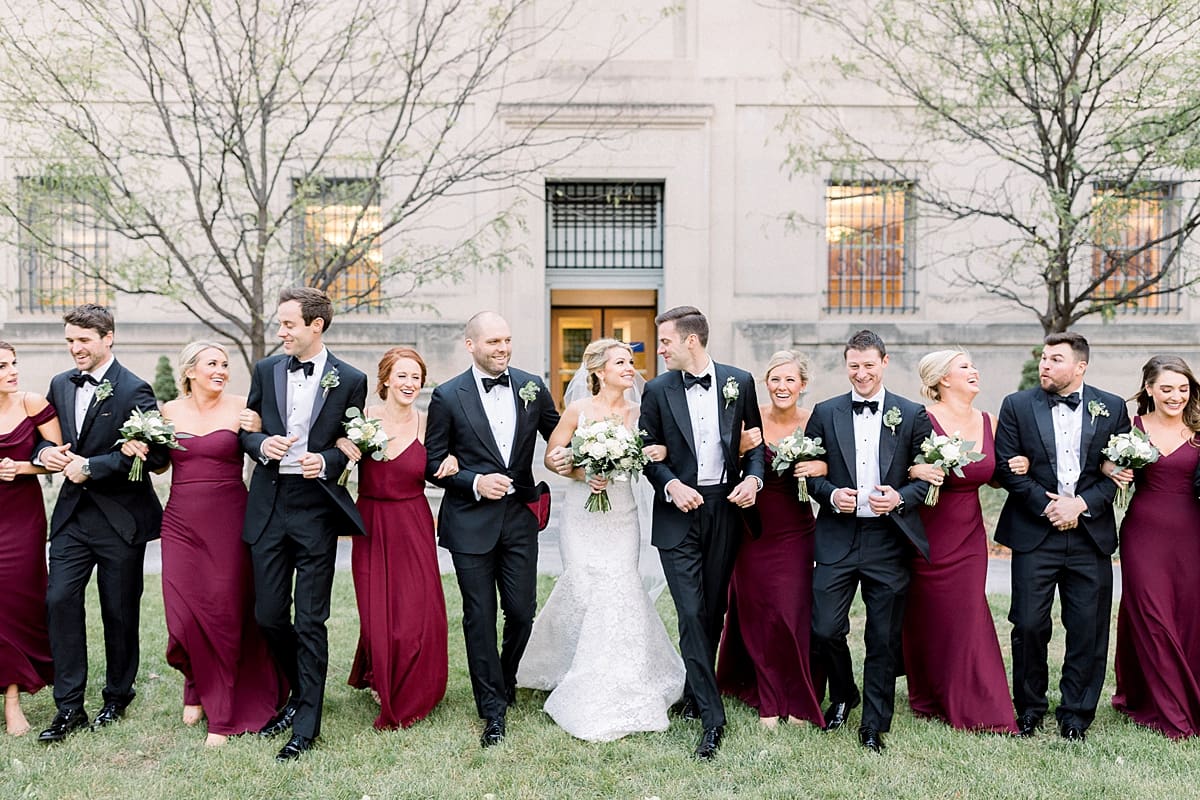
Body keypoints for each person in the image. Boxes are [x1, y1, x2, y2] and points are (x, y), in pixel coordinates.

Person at [518, 338, 685, 741]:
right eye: (621, 363)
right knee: (585, 587)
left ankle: (622, 677)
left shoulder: (640, 411)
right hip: (582, 515)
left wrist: (655, 452)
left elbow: (652, 453)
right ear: (598, 371)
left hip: (622, 513)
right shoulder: (578, 410)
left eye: (631, 362)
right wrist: (579, 473)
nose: (631, 368)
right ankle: (572, 670)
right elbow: (552, 456)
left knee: (620, 587)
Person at [122, 342, 287, 746]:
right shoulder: (167, 412)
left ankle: (224, 714)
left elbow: (262, 450)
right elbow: (161, 463)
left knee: (225, 614)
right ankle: (195, 682)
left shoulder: (243, 409)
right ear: (190, 371)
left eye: (226, 364)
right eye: (212, 363)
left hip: (229, 520)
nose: (222, 370)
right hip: (180, 521)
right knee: (182, 616)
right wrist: (138, 448)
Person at [240, 287, 368, 761]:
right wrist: (260, 446)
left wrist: (328, 459)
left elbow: (351, 440)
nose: (281, 332)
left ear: (316, 325)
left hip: (315, 506)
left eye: (289, 324)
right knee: (268, 614)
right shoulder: (266, 369)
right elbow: (248, 428)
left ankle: (307, 722)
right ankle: (297, 692)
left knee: (310, 618)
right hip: (269, 504)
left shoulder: (351, 378)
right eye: (280, 324)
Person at [424, 311, 560, 748]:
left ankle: (505, 677)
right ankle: (492, 709)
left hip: (520, 517)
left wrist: (579, 456)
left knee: (521, 611)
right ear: (470, 345)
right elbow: (433, 465)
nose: (502, 349)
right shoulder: (447, 396)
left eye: (507, 340)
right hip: (469, 522)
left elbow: (558, 435)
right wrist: (474, 481)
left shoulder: (531, 386)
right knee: (479, 615)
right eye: (493, 342)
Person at [34, 304, 169, 743]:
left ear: (108, 337)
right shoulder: (58, 383)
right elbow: (43, 435)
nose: (76, 349)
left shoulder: (135, 389)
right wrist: (43, 455)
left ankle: (117, 695)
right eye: (70, 341)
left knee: (119, 610)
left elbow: (157, 456)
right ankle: (69, 706)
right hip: (72, 517)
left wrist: (94, 466)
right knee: (59, 602)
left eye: (84, 341)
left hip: (120, 521)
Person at [639, 305, 765, 760]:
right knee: (691, 612)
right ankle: (713, 720)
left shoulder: (739, 381)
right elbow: (648, 452)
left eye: (666, 341)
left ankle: (696, 692)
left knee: (714, 611)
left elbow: (754, 446)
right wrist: (671, 484)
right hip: (678, 513)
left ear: (690, 340)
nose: (661, 349)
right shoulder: (656, 390)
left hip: (725, 509)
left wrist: (754, 480)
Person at [995, 331, 1130, 741]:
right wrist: (1050, 506)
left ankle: (1076, 715)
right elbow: (1006, 468)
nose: (1045, 365)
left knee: (1087, 628)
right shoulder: (1017, 405)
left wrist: (1081, 505)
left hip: (1090, 535)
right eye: (1043, 358)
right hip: (1035, 532)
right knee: (1030, 625)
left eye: (1055, 359)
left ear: (1080, 367)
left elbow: (1121, 472)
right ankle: (1030, 709)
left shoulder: (1112, 408)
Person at [805, 329, 932, 753]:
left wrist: (900, 497)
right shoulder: (825, 412)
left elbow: (929, 476)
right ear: (846, 366)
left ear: (885, 362)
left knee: (882, 636)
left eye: (868, 366)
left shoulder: (912, 414)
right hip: (837, 536)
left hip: (887, 540)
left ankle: (874, 724)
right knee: (824, 629)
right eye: (854, 366)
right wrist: (829, 494)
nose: (861, 374)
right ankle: (843, 693)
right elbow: (810, 473)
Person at [903, 350, 1018, 733]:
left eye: (973, 365)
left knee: (968, 614)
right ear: (942, 379)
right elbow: (895, 463)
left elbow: (998, 475)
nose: (974, 371)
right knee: (929, 616)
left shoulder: (990, 421)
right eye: (964, 367)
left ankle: (979, 704)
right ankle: (930, 694)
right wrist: (915, 467)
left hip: (969, 534)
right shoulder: (920, 419)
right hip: (925, 533)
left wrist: (1021, 465)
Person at [338, 347, 453, 730]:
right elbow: (332, 452)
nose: (409, 384)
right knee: (376, 613)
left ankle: (418, 685)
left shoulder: (429, 423)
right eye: (402, 376)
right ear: (385, 379)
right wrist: (341, 447)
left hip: (413, 521)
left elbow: (437, 466)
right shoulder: (362, 420)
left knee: (418, 613)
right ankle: (380, 675)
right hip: (370, 522)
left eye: (416, 377)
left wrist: (450, 465)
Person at [716, 350, 825, 729]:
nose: (782, 386)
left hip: (796, 530)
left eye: (790, 380)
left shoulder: (816, 420)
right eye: (775, 379)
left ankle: (796, 696)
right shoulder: (750, 415)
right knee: (758, 613)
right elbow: (720, 462)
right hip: (751, 530)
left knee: (791, 613)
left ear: (803, 385)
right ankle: (767, 697)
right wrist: (740, 449)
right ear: (766, 382)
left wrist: (820, 465)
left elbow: (836, 465)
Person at [1109, 355, 1200, 738]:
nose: (1176, 396)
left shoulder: (1199, 430)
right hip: (1144, 533)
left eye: (1183, 389)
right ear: (1149, 389)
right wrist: (1110, 470)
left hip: (1193, 533)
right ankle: (1170, 709)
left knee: (1190, 616)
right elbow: (1103, 464)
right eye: (1167, 389)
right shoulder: (1131, 429)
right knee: (1152, 615)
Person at [0, 341, 60, 736]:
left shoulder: (32, 403)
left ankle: (12, 700)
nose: (12, 371)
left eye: (13, 363)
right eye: (2, 366)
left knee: (14, 605)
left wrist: (22, 466)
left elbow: (58, 455)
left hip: (21, 520)